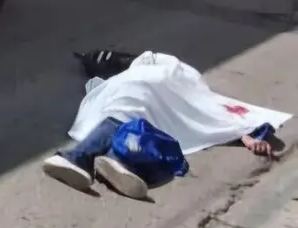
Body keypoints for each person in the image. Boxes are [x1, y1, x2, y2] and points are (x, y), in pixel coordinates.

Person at [42, 49, 287, 200]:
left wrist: (247, 136)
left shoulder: (160, 69)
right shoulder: (189, 83)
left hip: (141, 86)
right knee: (131, 116)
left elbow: (215, 111)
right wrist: (248, 136)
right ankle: (107, 158)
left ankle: (88, 157)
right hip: (151, 89)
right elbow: (216, 114)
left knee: (123, 112)